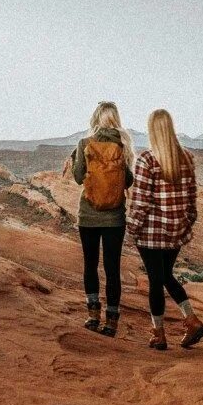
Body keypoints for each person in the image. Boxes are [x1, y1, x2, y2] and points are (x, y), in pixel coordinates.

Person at [126, 108, 203, 351]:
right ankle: (191, 320)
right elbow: (192, 200)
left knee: (155, 280)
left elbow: (141, 202)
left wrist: (132, 228)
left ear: (152, 130)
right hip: (175, 233)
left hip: (151, 233)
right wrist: (185, 224)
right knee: (165, 276)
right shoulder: (187, 158)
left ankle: (159, 334)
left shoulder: (146, 160)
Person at [70, 102, 135, 337]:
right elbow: (127, 181)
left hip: (88, 215)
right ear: (115, 119)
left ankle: (92, 315)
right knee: (112, 268)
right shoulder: (123, 145)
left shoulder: (85, 144)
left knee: (90, 265)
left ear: (95, 118)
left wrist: (77, 158)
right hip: (114, 218)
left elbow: (78, 178)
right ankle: (112, 322)